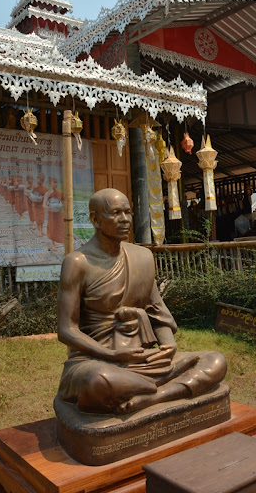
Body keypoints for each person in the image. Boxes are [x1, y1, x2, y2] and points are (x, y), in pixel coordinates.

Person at [56, 188, 227, 415]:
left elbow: (157, 310)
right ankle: (156, 388)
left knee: (215, 361)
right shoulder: (77, 262)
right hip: (98, 360)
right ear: (95, 220)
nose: (125, 219)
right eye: (115, 213)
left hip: (145, 359)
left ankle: (154, 397)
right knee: (98, 382)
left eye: (127, 212)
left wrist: (168, 345)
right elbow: (67, 330)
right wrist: (112, 356)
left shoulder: (142, 257)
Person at [43, 176, 65, 251]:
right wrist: (47, 207)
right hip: (51, 214)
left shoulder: (60, 193)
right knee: (52, 228)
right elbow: (44, 204)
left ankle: (64, 242)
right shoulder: (47, 193)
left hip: (59, 213)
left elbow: (64, 202)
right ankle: (53, 244)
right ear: (50, 183)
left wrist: (62, 204)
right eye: (54, 182)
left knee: (61, 227)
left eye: (56, 182)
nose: (56, 184)